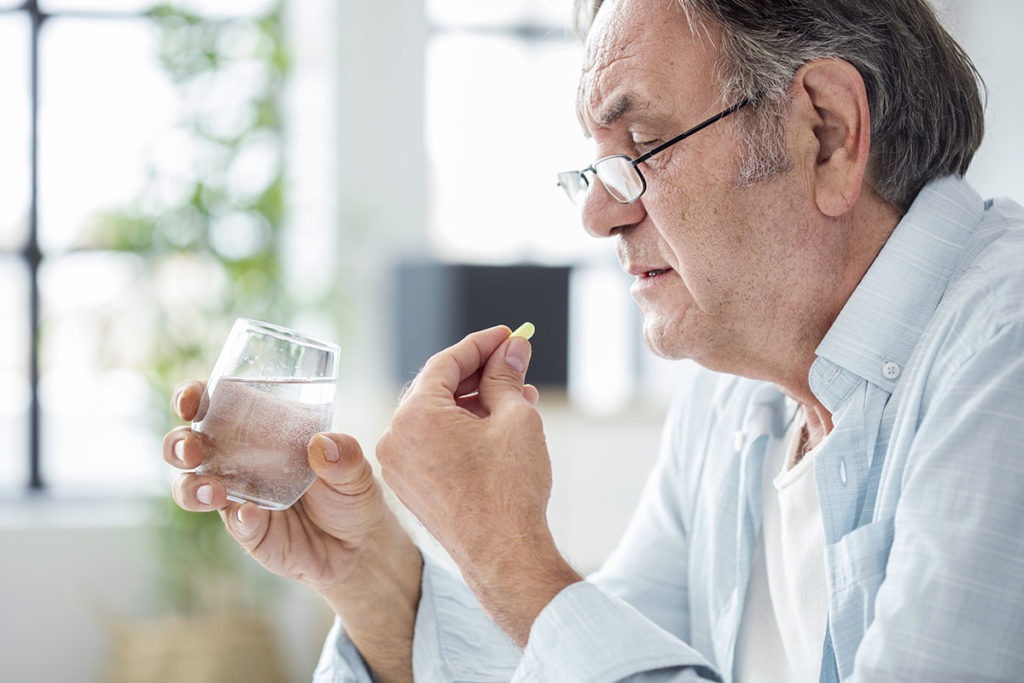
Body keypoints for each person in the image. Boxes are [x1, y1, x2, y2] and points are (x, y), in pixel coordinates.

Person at [162, 0, 1024, 680]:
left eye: (643, 146)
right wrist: (374, 583)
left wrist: (508, 552)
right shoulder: (735, 400)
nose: (598, 212)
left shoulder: (1005, 351)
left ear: (826, 132)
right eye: (597, 163)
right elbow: (594, 659)